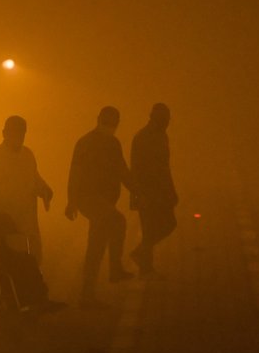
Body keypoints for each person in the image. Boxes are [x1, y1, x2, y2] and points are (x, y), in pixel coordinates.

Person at [65, 106, 134, 308]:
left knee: (95, 246)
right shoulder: (87, 143)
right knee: (118, 221)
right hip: (90, 199)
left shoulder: (111, 143)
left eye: (111, 124)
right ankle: (115, 269)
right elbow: (75, 173)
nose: (109, 128)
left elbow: (122, 171)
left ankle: (87, 295)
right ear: (99, 120)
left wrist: (136, 189)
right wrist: (72, 201)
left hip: (102, 202)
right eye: (107, 123)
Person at [0, 115, 53, 264]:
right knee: (9, 266)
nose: (19, 136)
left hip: (28, 226)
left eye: (21, 133)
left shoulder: (28, 155)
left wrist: (45, 190)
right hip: (5, 227)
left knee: (33, 264)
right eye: (15, 132)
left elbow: (35, 179)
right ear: (4, 133)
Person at [130, 103, 178, 276]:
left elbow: (165, 167)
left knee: (165, 224)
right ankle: (145, 265)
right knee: (153, 226)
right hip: (148, 192)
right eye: (164, 120)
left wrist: (170, 190)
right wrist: (138, 194)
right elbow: (137, 168)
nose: (167, 123)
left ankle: (142, 256)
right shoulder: (144, 137)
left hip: (159, 191)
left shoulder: (160, 136)